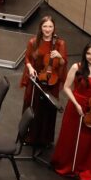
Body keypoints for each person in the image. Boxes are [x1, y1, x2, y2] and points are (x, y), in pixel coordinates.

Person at [50, 43, 91, 180]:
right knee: (72, 137)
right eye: (88, 53)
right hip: (76, 105)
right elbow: (66, 87)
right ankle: (70, 165)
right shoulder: (76, 68)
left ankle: (89, 167)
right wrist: (76, 104)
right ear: (85, 54)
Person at [20, 16, 67, 150]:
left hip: (52, 81)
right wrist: (29, 67)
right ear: (41, 27)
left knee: (48, 109)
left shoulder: (60, 44)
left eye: (50, 26)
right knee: (32, 105)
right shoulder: (34, 42)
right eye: (45, 26)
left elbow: (63, 63)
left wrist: (59, 56)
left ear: (54, 28)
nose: (47, 29)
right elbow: (27, 57)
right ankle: (29, 136)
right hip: (36, 78)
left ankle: (45, 138)